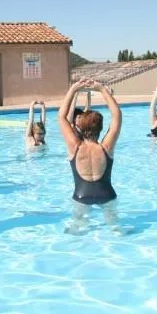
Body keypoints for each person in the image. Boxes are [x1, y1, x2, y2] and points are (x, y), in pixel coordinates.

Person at [58, 78, 123, 232]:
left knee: (76, 230)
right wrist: (102, 89)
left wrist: (73, 89)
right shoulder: (106, 147)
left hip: (82, 196)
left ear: (80, 127)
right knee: (116, 229)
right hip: (107, 195)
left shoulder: (74, 146)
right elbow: (117, 115)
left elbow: (61, 117)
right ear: (100, 128)